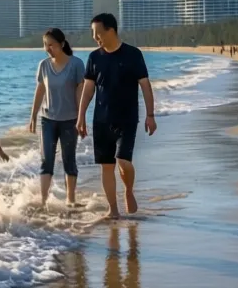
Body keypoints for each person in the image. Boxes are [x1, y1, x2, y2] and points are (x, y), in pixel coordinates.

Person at [76, 13, 156, 219]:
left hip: (127, 119)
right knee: (106, 166)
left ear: (110, 30)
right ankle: (113, 210)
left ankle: (128, 190)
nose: (95, 38)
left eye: (97, 33)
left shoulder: (133, 54)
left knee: (123, 161)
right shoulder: (94, 57)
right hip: (101, 120)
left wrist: (150, 115)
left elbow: (145, 85)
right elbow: (88, 90)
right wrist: (81, 116)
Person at [28, 28, 85, 207]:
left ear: (61, 44)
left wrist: (81, 118)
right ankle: (43, 202)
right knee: (47, 160)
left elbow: (80, 92)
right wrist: (33, 116)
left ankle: (71, 200)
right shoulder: (43, 65)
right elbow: (40, 90)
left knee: (69, 159)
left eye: (51, 44)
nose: (47, 48)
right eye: (45, 44)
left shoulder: (76, 64)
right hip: (47, 119)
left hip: (70, 120)